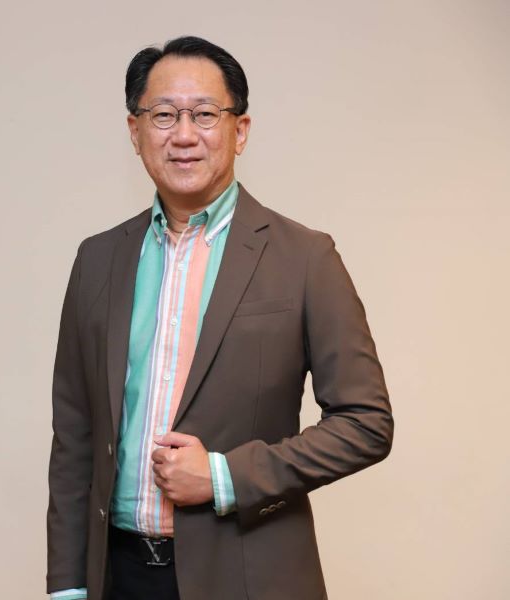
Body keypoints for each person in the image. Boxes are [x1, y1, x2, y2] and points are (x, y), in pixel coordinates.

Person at [46, 36, 393, 600]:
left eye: (205, 114)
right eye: (163, 115)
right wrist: (68, 585)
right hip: (117, 576)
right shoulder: (98, 258)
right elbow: (75, 433)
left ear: (241, 130)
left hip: (249, 577)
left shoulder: (306, 258)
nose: (184, 135)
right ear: (135, 131)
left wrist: (225, 476)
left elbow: (366, 423)